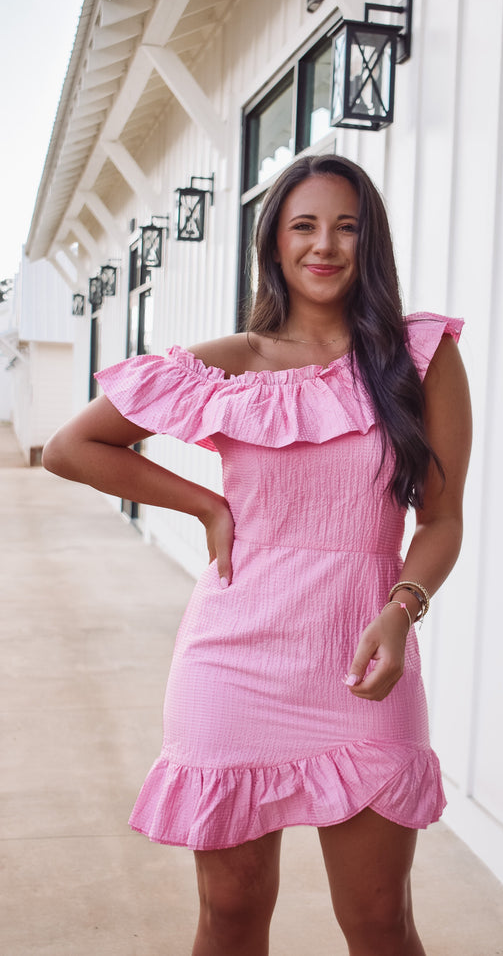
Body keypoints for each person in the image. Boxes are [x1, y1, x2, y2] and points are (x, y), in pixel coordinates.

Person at [43, 153, 472, 956]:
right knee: (231, 915)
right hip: (233, 661)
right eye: (303, 225)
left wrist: (401, 608)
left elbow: (441, 521)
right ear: (273, 243)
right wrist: (204, 503)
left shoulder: (420, 359)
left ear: (369, 243)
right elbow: (73, 446)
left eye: (347, 227)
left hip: (364, 662)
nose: (325, 246)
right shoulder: (229, 364)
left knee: (380, 922)